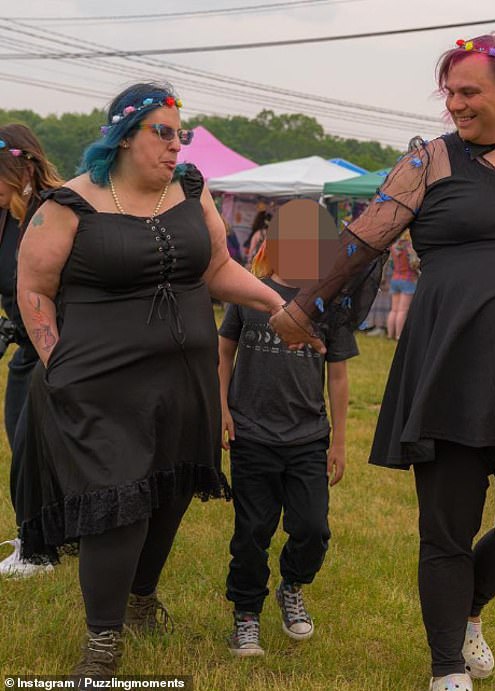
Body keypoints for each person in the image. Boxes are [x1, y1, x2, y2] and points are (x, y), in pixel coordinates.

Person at [270, 35, 495, 691]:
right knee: (448, 527)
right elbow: (364, 238)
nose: (454, 104)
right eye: (450, 94)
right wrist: (305, 307)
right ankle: (446, 667)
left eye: (468, 92)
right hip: (451, 366)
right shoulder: (431, 160)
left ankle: (468, 606)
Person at [15, 82, 285, 677]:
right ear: (122, 136)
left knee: (169, 490)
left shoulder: (191, 189)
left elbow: (217, 268)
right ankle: (102, 640)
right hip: (100, 385)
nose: (175, 145)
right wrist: (56, 359)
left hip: (183, 378)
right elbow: (33, 288)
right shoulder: (69, 203)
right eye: (161, 132)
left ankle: (141, 598)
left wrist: (277, 305)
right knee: (118, 503)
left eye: (179, 133)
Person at [218, 200, 357, 656]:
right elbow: (223, 355)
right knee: (252, 531)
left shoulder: (329, 304)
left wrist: (338, 440)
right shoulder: (250, 293)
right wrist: (221, 408)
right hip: (252, 436)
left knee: (313, 528)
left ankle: (292, 586)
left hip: (306, 438)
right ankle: (246, 614)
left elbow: (337, 375)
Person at [0, 124, 62, 578]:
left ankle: (39, 550)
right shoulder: (4, 219)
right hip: (25, 350)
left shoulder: (55, 211)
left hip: (58, 349)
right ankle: (45, 536)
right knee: (20, 442)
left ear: (17, 170)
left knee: (33, 449)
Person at [386, 230, 419, 340]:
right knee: (403, 310)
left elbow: (390, 264)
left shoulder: (393, 247)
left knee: (394, 309)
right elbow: (414, 264)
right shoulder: (409, 247)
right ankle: (399, 335)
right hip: (408, 279)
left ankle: (390, 334)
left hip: (395, 278)